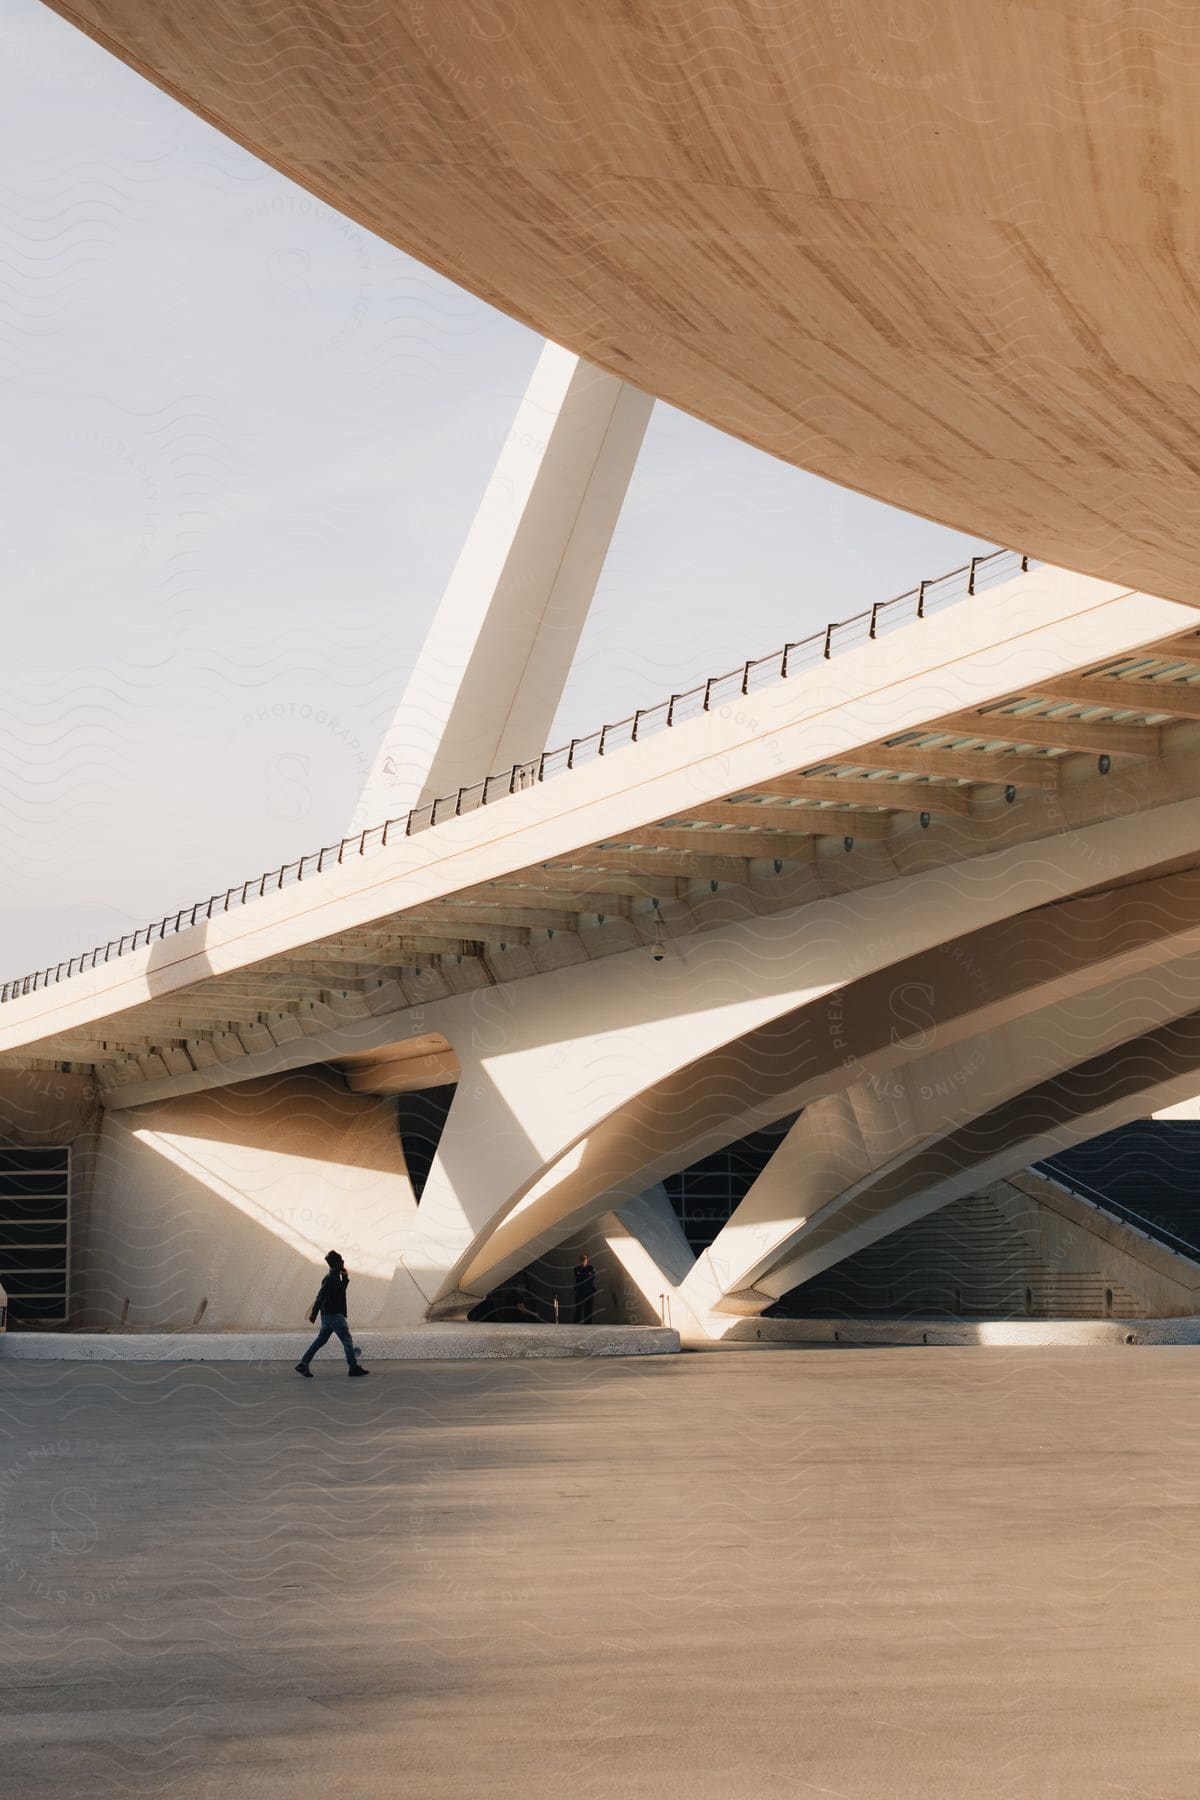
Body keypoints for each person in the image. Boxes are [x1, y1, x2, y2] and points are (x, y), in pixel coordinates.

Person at [295, 1250, 369, 1377]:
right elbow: (320, 1296)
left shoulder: (334, 1277)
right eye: (341, 1261)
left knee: (321, 1340)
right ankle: (353, 1368)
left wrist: (345, 1277)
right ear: (336, 1263)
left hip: (328, 1317)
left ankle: (303, 1363)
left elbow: (340, 1292)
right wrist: (314, 1313)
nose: (343, 1262)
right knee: (347, 1340)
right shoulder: (329, 1279)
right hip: (335, 1316)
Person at [573, 1251, 597, 1325]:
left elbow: (592, 1278)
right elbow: (579, 1278)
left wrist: (584, 1275)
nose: (583, 1261)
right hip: (580, 1291)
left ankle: (588, 1324)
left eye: (585, 1259)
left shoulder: (591, 1268)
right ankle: (577, 1324)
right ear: (580, 1260)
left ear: (587, 1259)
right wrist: (587, 1275)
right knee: (579, 1309)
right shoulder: (576, 1269)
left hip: (589, 1291)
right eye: (582, 1259)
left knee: (589, 1309)